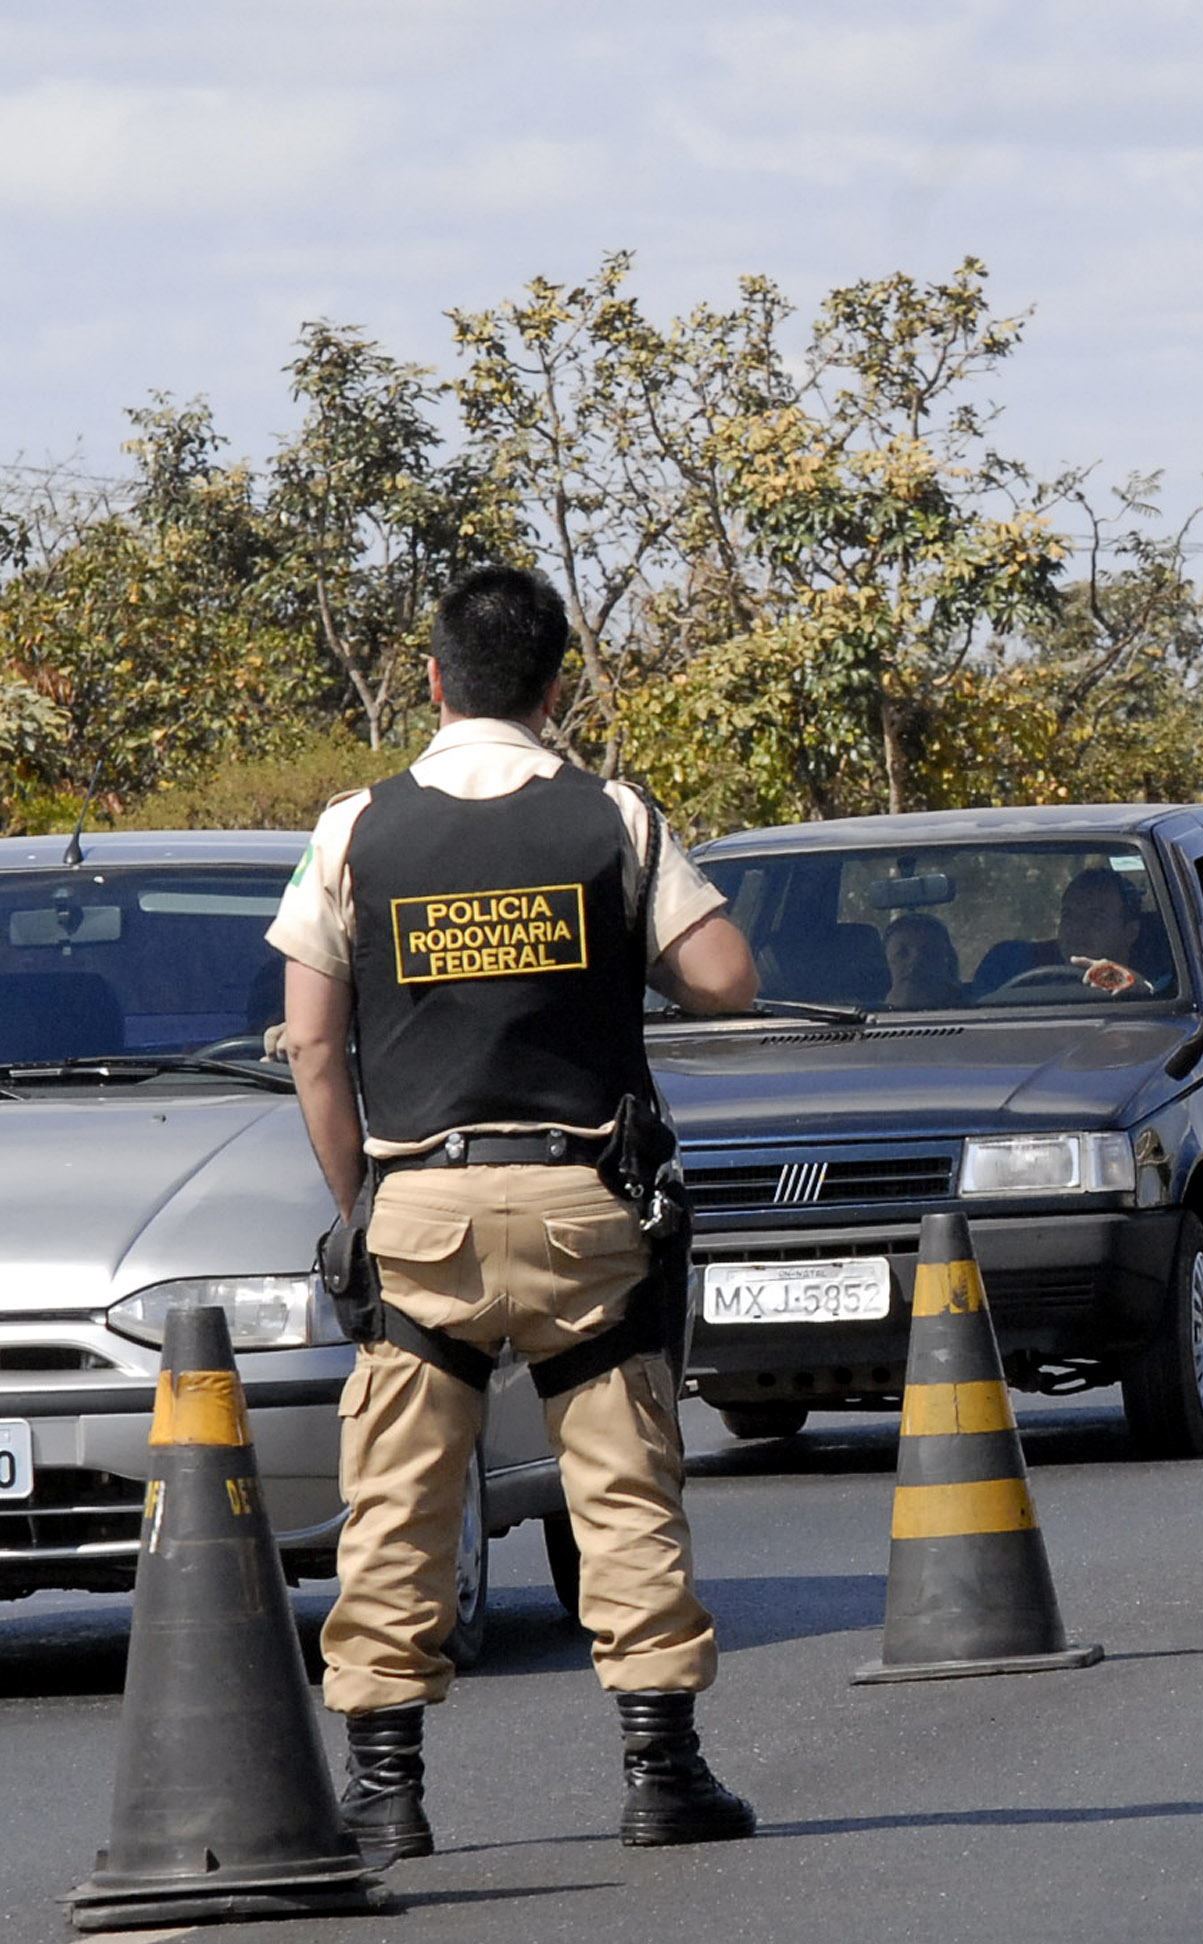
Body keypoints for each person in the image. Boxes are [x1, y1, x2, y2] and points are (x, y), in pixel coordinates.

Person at [268, 564, 762, 1861]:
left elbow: (315, 1049)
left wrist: (356, 1207)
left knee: (399, 1500)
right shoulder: (610, 818)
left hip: (419, 1206)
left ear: (431, 681)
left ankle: (388, 1791)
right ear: (556, 688)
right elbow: (725, 980)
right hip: (578, 1202)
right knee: (623, 1484)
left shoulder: (355, 831)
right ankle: (664, 1773)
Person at [968, 864, 1156, 997]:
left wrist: (1137, 990)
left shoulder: (1171, 981)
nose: (1077, 927)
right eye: (1069, 915)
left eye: (1095, 917)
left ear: (1130, 932)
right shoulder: (1010, 963)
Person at [881, 913, 968, 1010]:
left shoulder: (974, 1009)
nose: (915, 961)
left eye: (928, 953)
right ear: (885, 963)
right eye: (902, 953)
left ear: (947, 960)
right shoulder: (866, 1014)